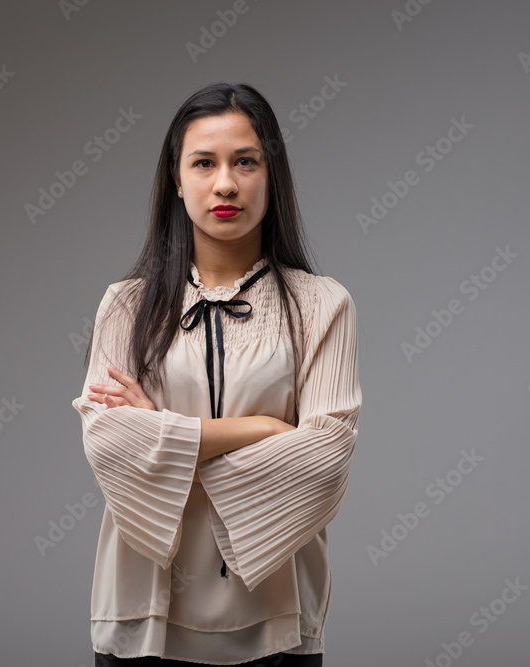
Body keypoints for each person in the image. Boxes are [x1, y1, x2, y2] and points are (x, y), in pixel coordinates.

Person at [71, 82, 362, 666]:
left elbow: (326, 462)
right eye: (203, 162)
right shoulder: (125, 306)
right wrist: (264, 429)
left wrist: (161, 434)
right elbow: (109, 449)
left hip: (277, 614)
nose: (225, 183)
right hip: (142, 610)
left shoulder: (322, 304)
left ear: (271, 177)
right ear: (176, 182)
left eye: (245, 162)